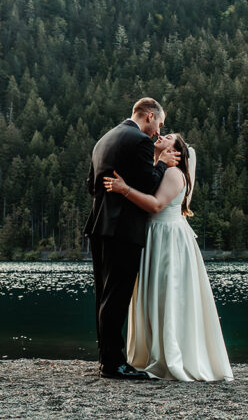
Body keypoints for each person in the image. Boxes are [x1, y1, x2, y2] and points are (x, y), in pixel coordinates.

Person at [103, 133, 234, 382]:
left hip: (168, 238)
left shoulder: (173, 173)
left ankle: (170, 356)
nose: (162, 134)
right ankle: (152, 351)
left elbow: (154, 205)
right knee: (156, 294)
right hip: (155, 235)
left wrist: (124, 189)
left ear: (176, 151)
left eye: (170, 136)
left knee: (167, 295)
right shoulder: (158, 168)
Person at [84, 98, 179, 380]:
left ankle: (107, 359)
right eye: (159, 124)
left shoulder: (104, 139)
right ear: (149, 116)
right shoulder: (139, 140)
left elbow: (92, 186)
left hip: (99, 226)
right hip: (123, 229)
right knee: (117, 297)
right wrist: (161, 162)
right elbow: (150, 185)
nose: (158, 132)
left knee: (104, 295)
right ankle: (114, 366)